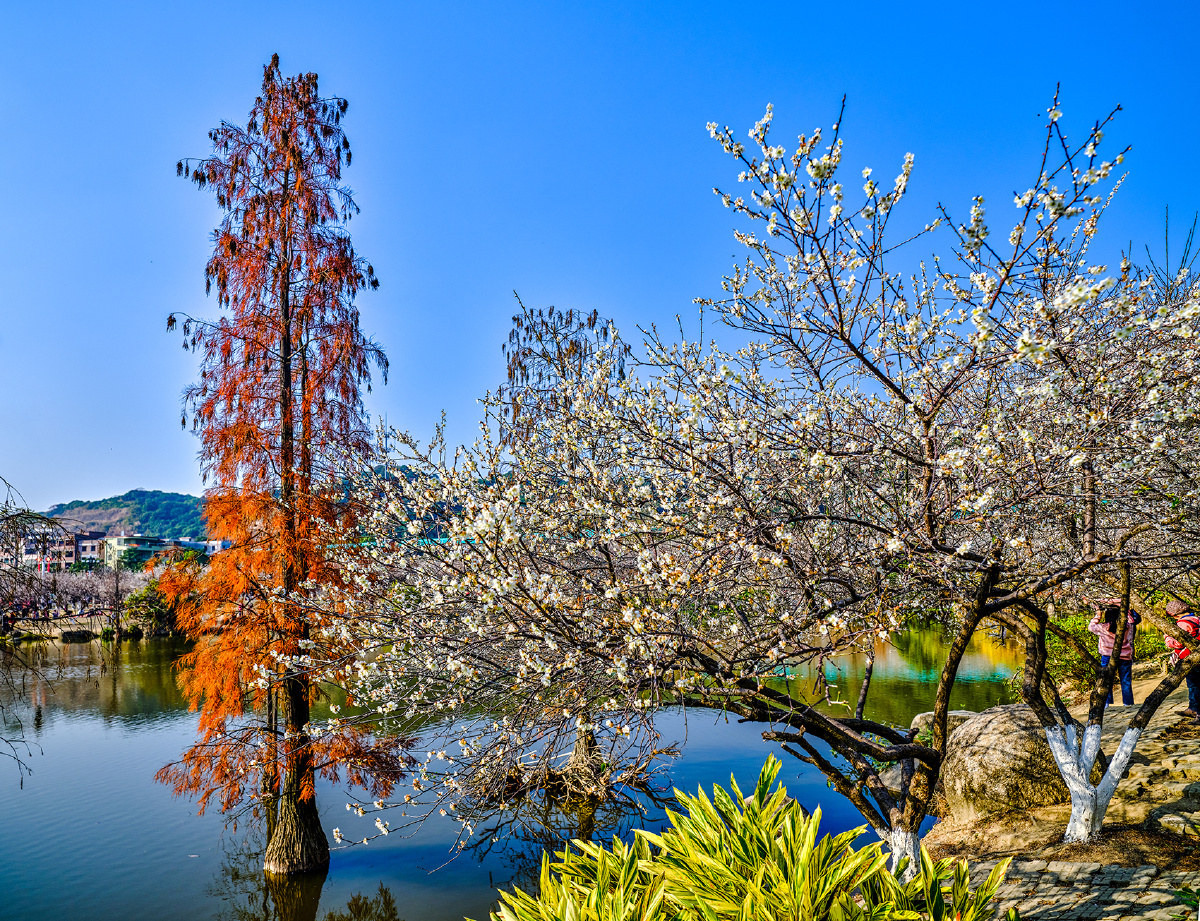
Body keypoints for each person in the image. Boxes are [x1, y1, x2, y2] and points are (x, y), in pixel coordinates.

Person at [1088, 599, 1140, 706]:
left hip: (1107, 656)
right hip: (1125, 656)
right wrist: (1125, 609)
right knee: (1125, 681)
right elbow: (1131, 620)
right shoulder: (1126, 626)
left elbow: (1091, 627)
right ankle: (1128, 704)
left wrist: (1098, 614)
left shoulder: (1103, 627)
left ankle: (1107, 704)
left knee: (1107, 681)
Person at [1165, 599, 1200, 717]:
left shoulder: (1183, 623)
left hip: (1191, 659)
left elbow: (1178, 643)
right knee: (1194, 685)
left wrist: (1167, 638)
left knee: (1194, 685)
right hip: (1196, 656)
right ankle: (1192, 707)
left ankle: (1196, 711)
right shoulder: (1197, 619)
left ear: (1176, 614)